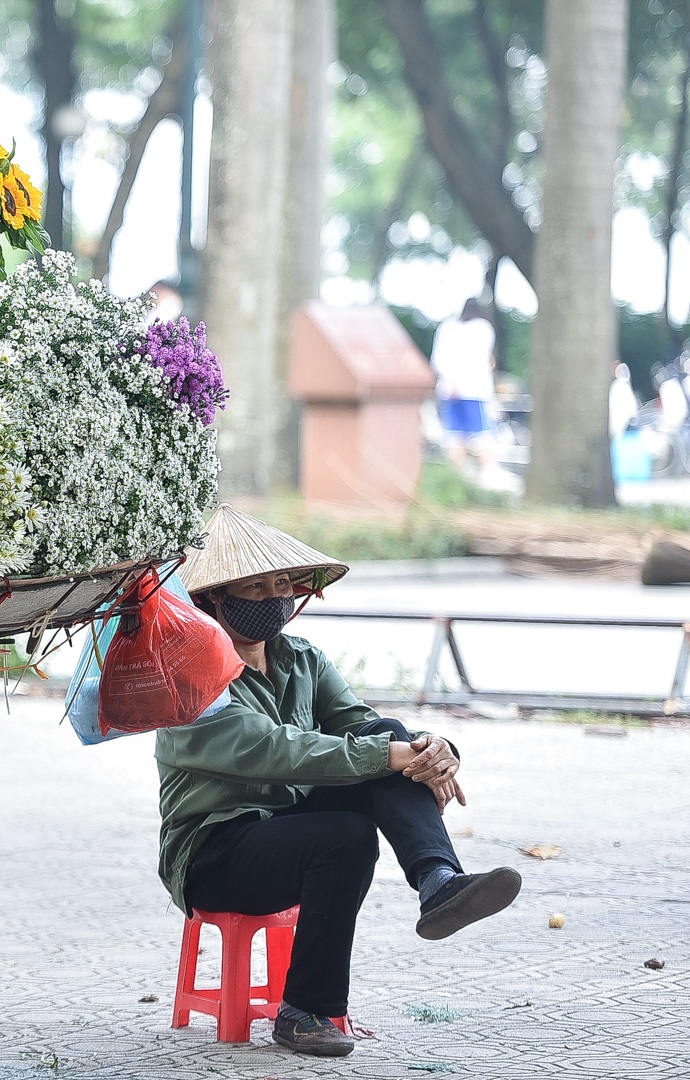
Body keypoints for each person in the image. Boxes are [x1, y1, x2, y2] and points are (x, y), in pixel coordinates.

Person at [155, 505, 521, 1058]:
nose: (274, 596)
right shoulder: (187, 679)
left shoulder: (302, 659)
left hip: (287, 825)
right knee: (346, 831)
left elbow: (362, 728)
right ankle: (305, 1013)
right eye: (254, 588)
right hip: (215, 851)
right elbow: (273, 750)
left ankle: (438, 881)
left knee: (387, 733)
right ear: (212, 600)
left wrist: (431, 748)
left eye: (282, 583)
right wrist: (393, 755)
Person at [429, 298, 498, 476]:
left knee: (454, 434)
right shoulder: (483, 328)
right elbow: (483, 359)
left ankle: (456, 476)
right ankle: (487, 473)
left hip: (449, 390)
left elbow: (438, 360)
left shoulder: (447, 327)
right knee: (483, 433)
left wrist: (451, 380)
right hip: (475, 389)